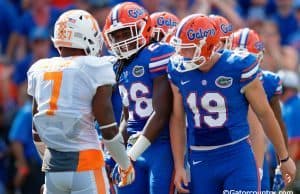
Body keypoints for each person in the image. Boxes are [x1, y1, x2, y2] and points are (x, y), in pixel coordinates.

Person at [167, 14, 296, 194]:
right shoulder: (177, 70)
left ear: (207, 46)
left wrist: (283, 157)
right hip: (200, 160)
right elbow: (178, 119)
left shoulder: (237, 66)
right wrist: (180, 166)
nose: (181, 54)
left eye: (187, 49)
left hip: (236, 157)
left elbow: (264, 115)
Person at [27, 9, 134, 194]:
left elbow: (37, 132)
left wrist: (52, 164)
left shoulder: (40, 69)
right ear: (87, 38)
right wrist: (125, 164)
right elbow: (107, 128)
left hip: (53, 168)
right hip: (87, 165)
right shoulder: (95, 67)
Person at [103, 2, 175, 194]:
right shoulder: (120, 66)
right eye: (116, 36)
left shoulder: (157, 54)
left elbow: (161, 113)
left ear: (145, 27)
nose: (121, 40)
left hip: (160, 146)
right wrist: (113, 156)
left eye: (126, 33)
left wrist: (130, 156)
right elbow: (127, 117)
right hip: (131, 149)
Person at [230, 27, 289, 191]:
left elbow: (278, 122)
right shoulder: (220, 79)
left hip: (255, 151)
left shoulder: (269, 82)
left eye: (249, 60)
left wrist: (282, 161)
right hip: (225, 148)